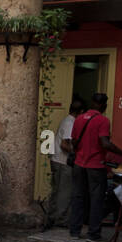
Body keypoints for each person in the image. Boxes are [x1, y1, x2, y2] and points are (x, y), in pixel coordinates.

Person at [67, 92, 122, 242]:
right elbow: (105, 144)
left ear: (92, 102)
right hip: (95, 165)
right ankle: (93, 234)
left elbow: (74, 142)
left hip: (79, 164)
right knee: (97, 200)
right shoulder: (103, 121)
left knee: (78, 197)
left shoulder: (79, 119)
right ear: (104, 105)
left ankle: (74, 231)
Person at [44, 96, 85, 230]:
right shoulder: (70, 123)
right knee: (64, 192)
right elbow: (64, 144)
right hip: (62, 161)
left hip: (57, 159)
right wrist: (77, 153)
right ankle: (60, 219)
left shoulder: (67, 120)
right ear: (81, 112)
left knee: (57, 190)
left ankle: (52, 217)